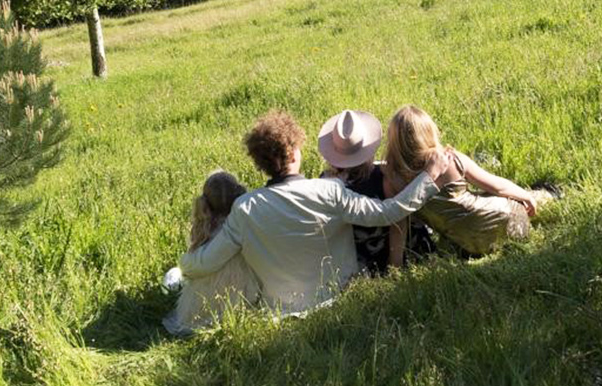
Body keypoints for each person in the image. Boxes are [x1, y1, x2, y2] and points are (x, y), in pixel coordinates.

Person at [178, 110, 451, 315]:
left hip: (281, 309)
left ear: (260, 164)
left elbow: (205, 262)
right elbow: (387, 212)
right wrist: (429, 177)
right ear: (296, 153)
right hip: (339, 294)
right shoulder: (329, 190)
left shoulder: (245, 208)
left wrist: (183, 266)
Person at [382, 105, 557, 258]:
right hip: (507, 221)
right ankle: (547, 194)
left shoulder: (392, 179)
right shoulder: (450, 160)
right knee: (517, 199)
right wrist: (525, 196)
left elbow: (399, 225)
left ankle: (538, 194)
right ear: (429, 133)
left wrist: (395, 263)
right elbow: (497, 186)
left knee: (456, 224)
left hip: (464, 243)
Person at [317, 110, 436, 275]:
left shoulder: (325, 183)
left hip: (357, 255)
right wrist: (395, 265)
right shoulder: (384, 176)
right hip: (387, 249)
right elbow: (398, 220)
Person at [162, 170, 260, 335]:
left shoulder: (206, 232)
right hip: (241, 306)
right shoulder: (248, 226)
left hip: (196, 313)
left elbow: (190, 266)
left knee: (175, 273)